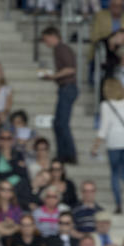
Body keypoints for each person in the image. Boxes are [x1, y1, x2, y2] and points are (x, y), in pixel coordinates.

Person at [40, 27, 78, 164]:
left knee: (62, 123)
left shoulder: (61, 48)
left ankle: (68, 154)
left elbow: (70, 69)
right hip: (65, 88)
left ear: (52, 36)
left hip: (67, 87)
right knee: (58, 123)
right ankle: (64, 153)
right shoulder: (59, 49)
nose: (46, 43)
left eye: (46, 39)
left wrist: (54, 76)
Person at [93, 78, 124, 214]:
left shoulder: (106, 105)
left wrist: (96, 145)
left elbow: (104, 128)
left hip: (113, 141)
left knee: (115, 174)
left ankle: (118, 204)